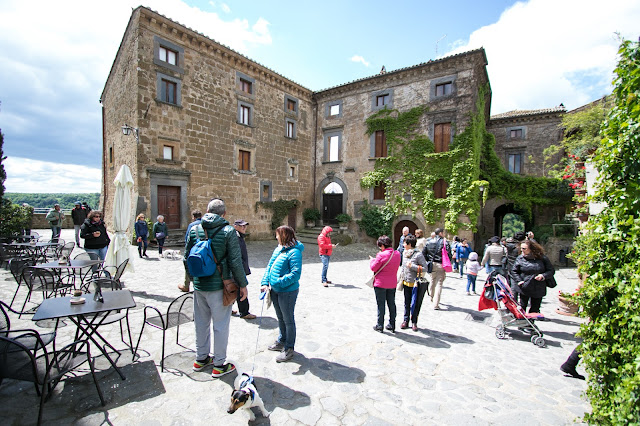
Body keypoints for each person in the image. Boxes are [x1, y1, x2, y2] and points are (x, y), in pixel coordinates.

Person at [184, 198, 248, 377]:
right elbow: (236, 261)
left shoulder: (195, 229)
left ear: (207, 211)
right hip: (220, 286)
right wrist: (243, 285)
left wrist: (192, 280)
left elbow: (185, 258)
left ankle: (201, 358)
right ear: (224, 214)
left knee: (201, 323)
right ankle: (219, 364)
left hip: (199, 285)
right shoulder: (228, 231)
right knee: (220, 325)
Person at [261, 225, 304, 362]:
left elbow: (295, 274)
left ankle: (289, 348)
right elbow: (270, 266)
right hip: (275, 290)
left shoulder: (295, 252)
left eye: (278, 235)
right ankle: (281, 341)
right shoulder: (278, 249)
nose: (276, 237)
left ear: (284, 236)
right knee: (280, 318)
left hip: (288, 292)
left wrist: (278, 282)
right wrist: (265, 282)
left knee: (288, 320)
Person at [511, 239, 555, 313]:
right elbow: (514, 271)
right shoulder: (520, 258)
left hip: (538, 287)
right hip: (524, 286)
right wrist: (519, 281)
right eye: (521, 248)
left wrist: (542, 276)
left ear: (531, 249)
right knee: (522, 307)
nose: (522, 251)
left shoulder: (542, 258)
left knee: (535, 308)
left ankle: (531, 323)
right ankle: (523, 322)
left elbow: (551, 271)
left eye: (524, 249)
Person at [371, 235, 401, 332]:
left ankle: (380, 325)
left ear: (383, 245)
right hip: (392, 283)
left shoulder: (381, 255)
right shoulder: (397, 254)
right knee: (391, 304)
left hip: (381, 283)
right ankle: (392, 324)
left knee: (381, 305)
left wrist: (372, 260)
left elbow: (373, 267)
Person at [399, 234, 429, 331]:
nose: (403, 244)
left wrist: (412, 266)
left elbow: (425, 268)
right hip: (406, 282)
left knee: (415, 303)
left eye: (405, 243)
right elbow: (403, 267)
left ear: (409, 244)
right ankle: (406, 320)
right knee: (406, 302)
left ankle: (414, 321)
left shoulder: (418, 254)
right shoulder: (405, 253)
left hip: (415, 284)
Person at [422, 228, 451, 310]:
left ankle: (431, 298)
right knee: (439, 284)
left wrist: (428, 261)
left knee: (432, 280)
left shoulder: (429, 242)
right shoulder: (444, 242)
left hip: (432, 264)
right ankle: (436, 304)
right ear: (441, 233)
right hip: (440, 264)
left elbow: (423, 253)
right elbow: (449, 254)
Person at [233, 219, 256, 319]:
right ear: (235, 226)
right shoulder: (236, 238)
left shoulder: (239, 237)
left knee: (234, 288)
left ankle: (229, 307)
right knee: (241, 289)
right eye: (242, 226)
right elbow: (237, 256)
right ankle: (244, 312)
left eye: (245, 226)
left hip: (238, 268)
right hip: (237, 268)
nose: (244, 227)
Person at [179, 210, 202, 292]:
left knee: (189, 265)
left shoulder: (192, 225)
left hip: (193, 249)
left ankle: (186, 285)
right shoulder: (205, 224)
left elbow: (187, 238)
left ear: (193, 217)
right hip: (203, 249)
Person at [505, 231, 527, 303]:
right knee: (523, 284)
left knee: (513, 286)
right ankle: (522, 302)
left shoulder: (509, 245)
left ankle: (513, 302)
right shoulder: (523, 247)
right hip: (522, 268)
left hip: (511, 267)